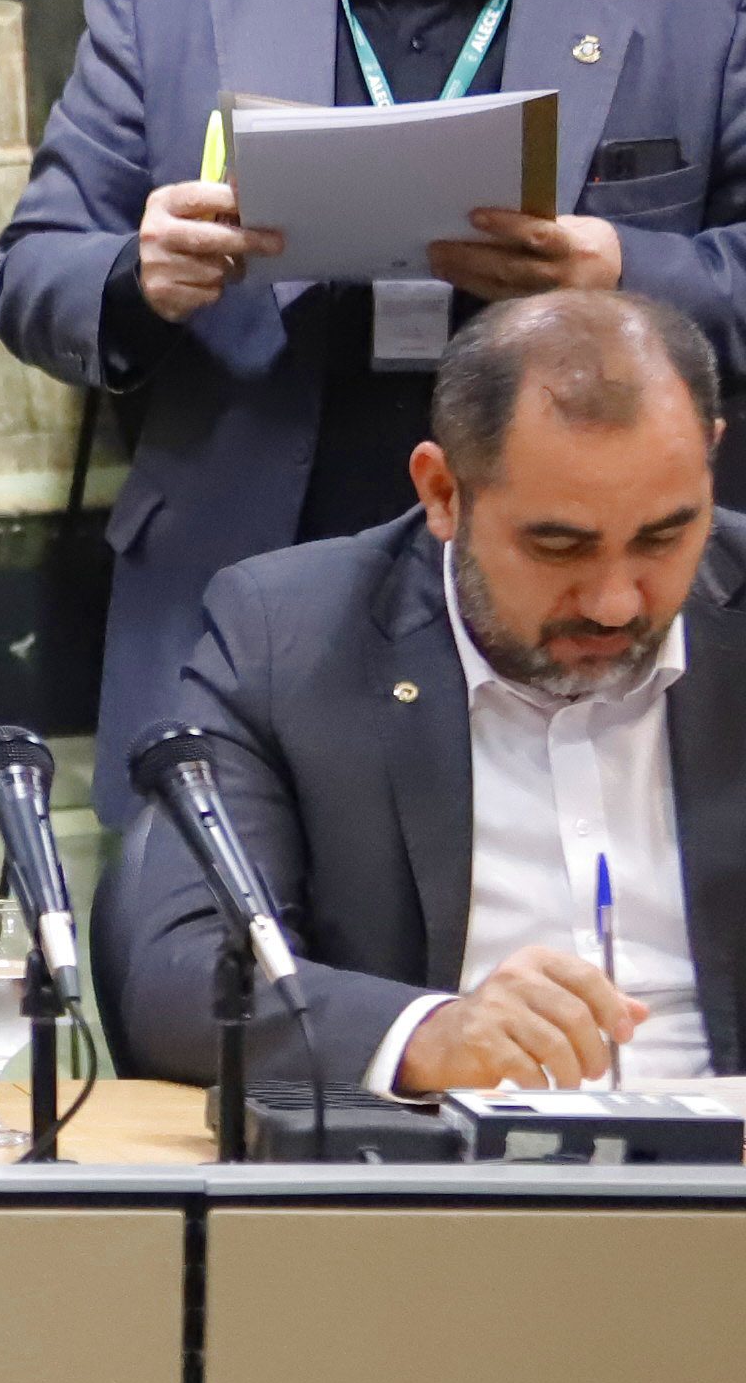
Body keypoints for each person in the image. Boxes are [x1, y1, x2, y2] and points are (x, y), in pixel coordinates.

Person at [0, 0, 746, 839]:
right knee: (219, 956)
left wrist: (616, 274)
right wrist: (138, 273)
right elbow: (32, 273)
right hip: (242, 586)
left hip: (582, 604)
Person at [106, 290, 745, 1091]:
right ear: (443, 492)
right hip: (447, 1152)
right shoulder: (290, 637)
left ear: (711, 457)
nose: (615, 603)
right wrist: (430, 1036)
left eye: (664, 537)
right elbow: (182, 977)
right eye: (559, 547)